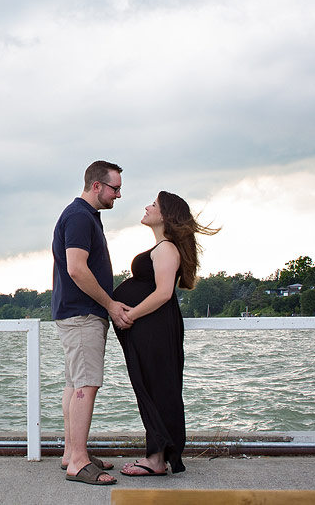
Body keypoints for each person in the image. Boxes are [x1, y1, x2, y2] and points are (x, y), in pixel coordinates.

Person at [112, 191, 217, 477]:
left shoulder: (167, 248)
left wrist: (129, 315)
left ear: (166, 216)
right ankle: (156, 456)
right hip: (150, 329)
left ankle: (157, 460)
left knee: (159, 389)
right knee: (151, 387)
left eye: (154, 205)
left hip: (156, 329)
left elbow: (162, 293)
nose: (147, 207)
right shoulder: (161, 248)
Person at [51, 160, 133, 486]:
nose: (119, 195)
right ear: (96, 186)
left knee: (74, 384)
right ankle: (79, 463)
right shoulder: (79, 217)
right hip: (83, 314)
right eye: (115, 188)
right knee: (86, 385)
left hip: (75, 311)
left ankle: (73, 453)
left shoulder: (83, 217)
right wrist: (111, 305)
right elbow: (76, 268)